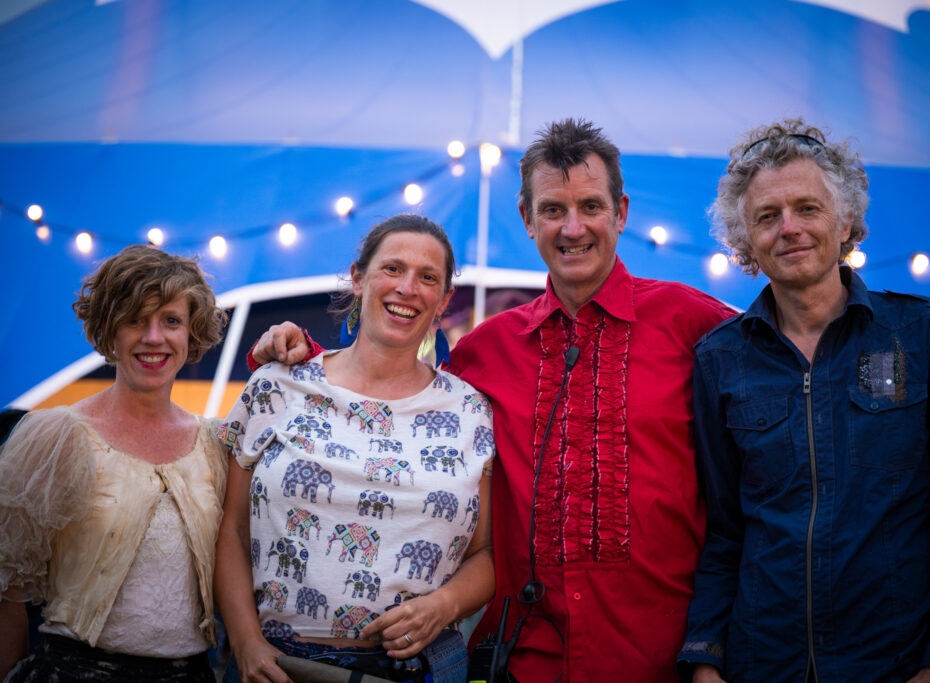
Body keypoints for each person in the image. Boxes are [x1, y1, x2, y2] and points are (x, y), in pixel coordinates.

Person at [249, 119, 736, 681]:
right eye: (553, 209)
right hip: (526, 659)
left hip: (664, 658)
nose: (572, 227)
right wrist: (304, 356)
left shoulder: (695, 323)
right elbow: (390, 396)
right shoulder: (486, 350)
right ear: (527, 218)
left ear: (621, 212)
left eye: (591, 207)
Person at [678, 120, 930, 682]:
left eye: (808, 208)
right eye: (767, 216)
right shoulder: (719, 359)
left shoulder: (926, 335)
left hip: (894, 664)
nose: (789, 229)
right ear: (744, 242)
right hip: (762, 665)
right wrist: (705, 659)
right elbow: (725, 532)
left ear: (847, 220)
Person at [214, 214, 495, 683]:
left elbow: (485, 553)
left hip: (414, 670)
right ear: (358, 277)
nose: (408, 288)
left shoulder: (472, 411)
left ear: (445, 299)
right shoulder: (276, 386)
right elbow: (231, 532)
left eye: (428, 278)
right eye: (392, 269)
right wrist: (245, 643)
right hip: (276, 666)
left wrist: (444, 605)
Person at [0, 245, 229, 681]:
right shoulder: (55, 435)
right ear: (108, 330)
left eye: (171, 321)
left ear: (191, 333)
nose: (154, 337)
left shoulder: (215, 444)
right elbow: (7, 595)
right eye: (134, 320)